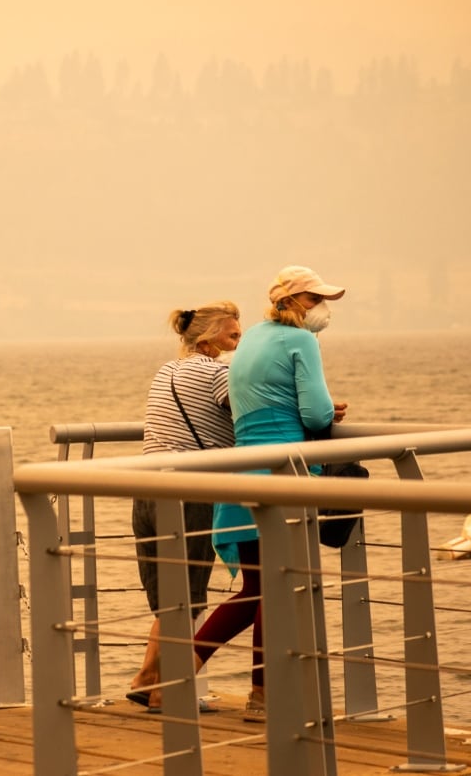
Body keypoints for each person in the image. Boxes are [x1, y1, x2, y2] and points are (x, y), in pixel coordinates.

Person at [192, 265, 348, 722]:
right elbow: (317, 416)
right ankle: (262, 698)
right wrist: (330, 409)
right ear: (295, 301)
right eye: (317, 300)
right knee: (272, 592)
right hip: (282, 476)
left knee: (255, 589)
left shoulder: (255, 337)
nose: (323, 311)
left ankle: (177, 673)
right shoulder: (301, 341)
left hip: (242, 473)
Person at [126, 300, 242, 713]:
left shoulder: (166, 370)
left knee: (168, 596)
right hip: (188, 490)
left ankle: (147, 680)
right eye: (233, 334)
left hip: (147, 489)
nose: (240, 340)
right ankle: (161, 690)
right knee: (187, 597)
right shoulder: (218, 372)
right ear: (209, 338)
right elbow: (251, 412)